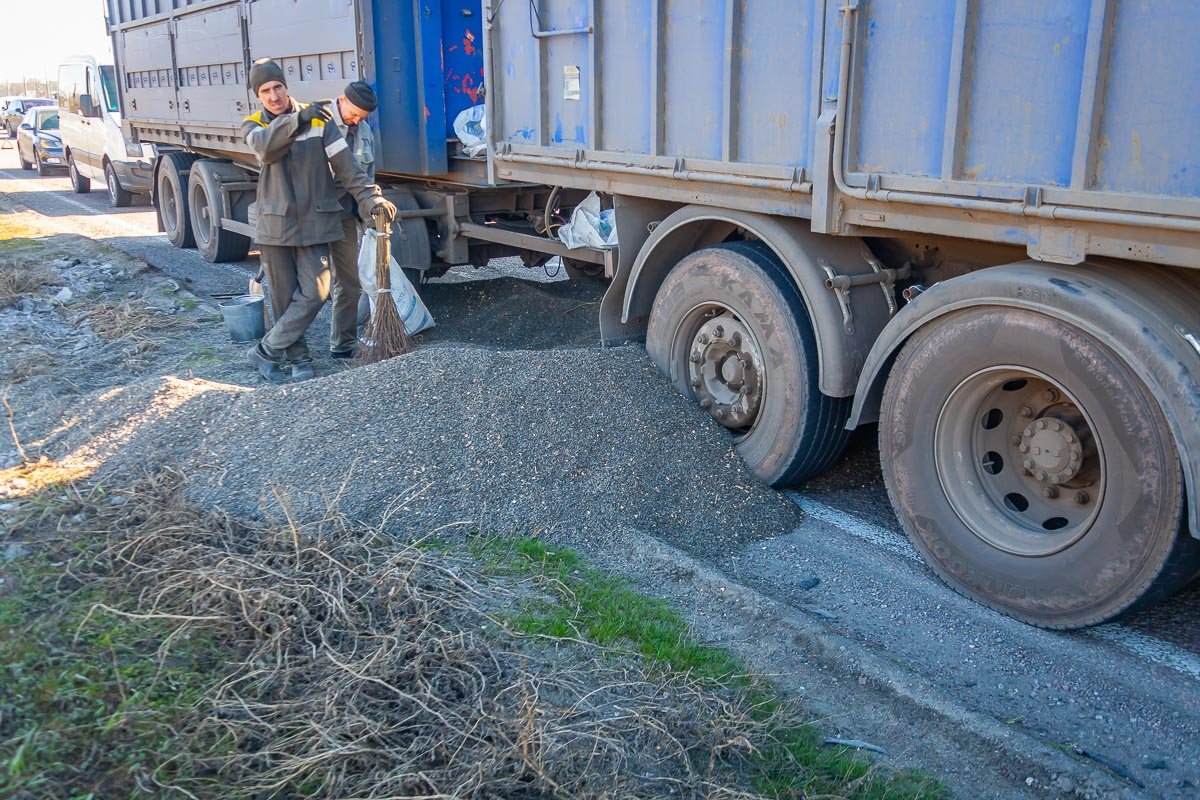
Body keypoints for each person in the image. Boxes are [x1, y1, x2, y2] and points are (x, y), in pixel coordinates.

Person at [240, 58, 395, 382]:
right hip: (275, 228)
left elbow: (349, 169)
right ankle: (298, 359)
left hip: (313, 226)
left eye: (277, 87)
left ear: (286, 86)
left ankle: (266, 351)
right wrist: (297, 119)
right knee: (284, 299)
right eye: (265, 91)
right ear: (258, 95)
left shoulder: (321, 122)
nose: (273, 96)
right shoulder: (253, 124)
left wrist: (373, 199)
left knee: (318, 290)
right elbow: (266, 150)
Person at [326, 80, 379, 360]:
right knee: (308, 287)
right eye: (353, 114)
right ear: (340, 100)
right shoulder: (319, 125)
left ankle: (342, 345)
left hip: (344, 214)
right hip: (312, 215)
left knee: (348, 281)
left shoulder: (365, 131)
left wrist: (369, 212)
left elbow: (367, 175)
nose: (356, 120)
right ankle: (288, 347)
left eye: (362, 117)